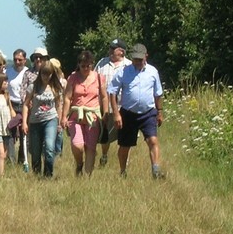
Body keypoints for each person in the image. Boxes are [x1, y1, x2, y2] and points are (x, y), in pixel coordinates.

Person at [108, 43, 165, 179]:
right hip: (128, 114)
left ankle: (155, 170)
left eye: (140, 59)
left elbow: (158, 94)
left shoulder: (153, 72)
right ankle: (123, 172)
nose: (138, 62)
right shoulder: (123, 72)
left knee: (153, 140)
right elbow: (112, 92)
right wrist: (116, 114)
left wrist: (160, 112)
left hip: (148, 112)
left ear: (146, 56)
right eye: (135, 59)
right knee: (124, 146)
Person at [61, 50, 107, 176]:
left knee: (91, 147)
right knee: (78, 145)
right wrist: (64, 116)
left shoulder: (99, 78)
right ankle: (79, 164)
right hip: (76, 116)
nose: (85, 68)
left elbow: (104, 97)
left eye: (88, 65)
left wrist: (105, 113)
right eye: (83, 66)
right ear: (79, 65)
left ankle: (88, 176)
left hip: (93, 117)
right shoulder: (73, 78)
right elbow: (67, 97)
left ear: (92, 64)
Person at [21, 61, 62, 177]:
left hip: (51, 119)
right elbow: (25, 104)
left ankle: (48, 175)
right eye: (44, 74)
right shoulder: (33, 87)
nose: (46, 77)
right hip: (35, 121)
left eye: (48, 74)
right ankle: (36, 174)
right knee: (35, 151)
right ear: (40, 74)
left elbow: (59, 105)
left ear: (52, 74)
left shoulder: (55, 87)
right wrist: (24, 122)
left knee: (49, 147)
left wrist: (59, 122)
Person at [96, 38, 128, 167]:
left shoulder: (129, 66)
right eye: (110, 48)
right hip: (106, 108)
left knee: (125, 138)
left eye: (113, 49)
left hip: (124, 108)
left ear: (121, 51)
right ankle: (104, 155)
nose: (109, 51)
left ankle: (124, 163)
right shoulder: (102, 63)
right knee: (105, 136)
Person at [6, 49, 29, 166]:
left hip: (24, 104)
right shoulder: (8, 72)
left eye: (20, 59)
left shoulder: (28, 72)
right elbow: (5, 90)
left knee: (24, 134)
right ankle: (11, 160)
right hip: (12, 104)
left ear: (25, 60)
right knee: (10, 132)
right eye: (15, 59)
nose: (17, 61)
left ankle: (22, 159)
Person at [47, 56, 67, 157]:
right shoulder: (47, 79)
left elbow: (66, 97)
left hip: (61, 107)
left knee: (59, 131)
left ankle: (58, 152)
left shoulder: (63, 81)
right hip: (50, 107)